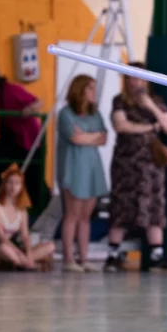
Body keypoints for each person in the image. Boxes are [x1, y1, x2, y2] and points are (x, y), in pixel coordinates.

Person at [105, 64, 167, 273]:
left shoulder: (156, 103)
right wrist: (151, 127)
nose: (133, 82)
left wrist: (151, 107)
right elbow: (121, 126)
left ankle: (156, 256)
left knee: (154, 207)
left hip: (151, 166)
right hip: (126, 164)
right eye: (130, 78)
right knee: (122, 206)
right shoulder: (120, 101)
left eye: (137, 78)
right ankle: (113, 255)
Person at [57, 74, 108, 273]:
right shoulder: (65, 114)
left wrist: (87, 136)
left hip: (92, 167)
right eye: (90, 89)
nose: (93, 93)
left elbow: (103, 138)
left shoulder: (95, 115)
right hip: (73, 167)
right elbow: (74, 138)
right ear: (80, 91)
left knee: (86, 215)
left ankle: (84, 258)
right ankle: (69, 258)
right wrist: (91, 136)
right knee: (72, 213)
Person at [0, 63, 48, 212]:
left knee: (34, 180)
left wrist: (29, 109)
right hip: (11, 140)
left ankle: (44, 211)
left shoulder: (12, 90)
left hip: (29, 141)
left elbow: (38, 102)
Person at [0, 164, 54, 271]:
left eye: (17, 183)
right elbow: (1, 238)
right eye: (9, 182)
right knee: (4, 249)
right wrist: (20, 253)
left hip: (14, 247)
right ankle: (32, 265)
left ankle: (22, 263)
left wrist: (28, 253)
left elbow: (25, 236)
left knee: (50, 246)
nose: (13, 187)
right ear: (3, 184)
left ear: (21, 187)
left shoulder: (22, 209)